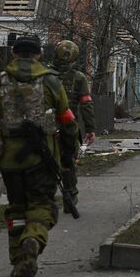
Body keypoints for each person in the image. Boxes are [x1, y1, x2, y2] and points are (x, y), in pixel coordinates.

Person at [0, 36, 79, 277]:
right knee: (43, 208)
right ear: (39, 55)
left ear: (13, 53)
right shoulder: (51, 81)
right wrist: (68, 152)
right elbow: (67, 121)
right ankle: (31, 244)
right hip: (42, 160)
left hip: (9, 162)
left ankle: (18, 262)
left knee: (17, 210)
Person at [50, 40, 96, 211]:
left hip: (46, 127)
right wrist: (90, 129)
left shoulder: (46, 76)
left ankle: (46, 198)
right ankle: (70, 195)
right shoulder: (79, 78)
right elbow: (86, 104)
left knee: (47, 161)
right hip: (69, 126)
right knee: (68, 161)